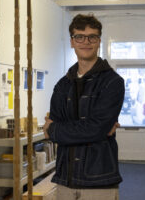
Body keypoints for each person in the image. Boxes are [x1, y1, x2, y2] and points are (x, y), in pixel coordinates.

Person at [43, 14, 125, 200]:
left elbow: (93, 129)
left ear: (99, 41)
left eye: (92, 37)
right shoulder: (62, 85)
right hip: (66, 178)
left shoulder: (113, 82)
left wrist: (56, 129)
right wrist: (95, 130)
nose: (85, 42)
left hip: (99, 180)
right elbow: (52, 133)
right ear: (72, 42)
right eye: (79, 36)